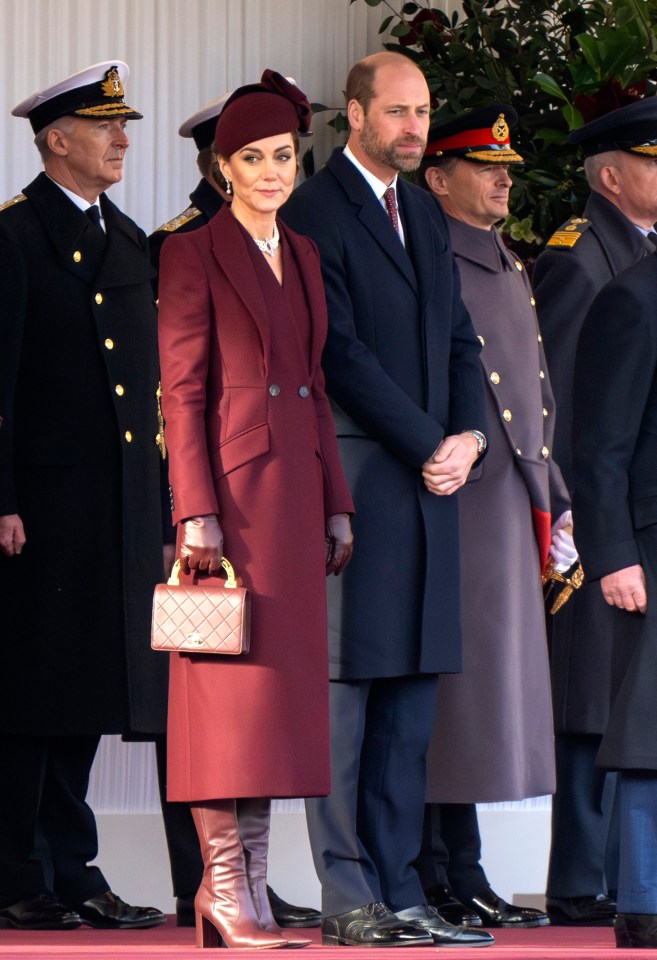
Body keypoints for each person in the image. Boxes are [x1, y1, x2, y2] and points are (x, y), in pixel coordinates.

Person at [281, 51, 493, 948]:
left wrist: (471, 437)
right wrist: (426, 442)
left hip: (430, 486)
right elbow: (340, 357)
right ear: (354, 115)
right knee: (347, 701)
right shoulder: (314, 213)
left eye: (422, 112)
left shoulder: (424, 214)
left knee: (409, 703)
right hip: (360, 484)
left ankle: (404, 892)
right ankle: (348, 896)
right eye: (397, 111)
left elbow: (457, 339)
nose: (413, 127)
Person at [157, 70, 354, 950]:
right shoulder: (192, 253)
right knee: (224, 701)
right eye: (252, 158)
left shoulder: (304, 253)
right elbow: (180, 392)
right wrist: (195, 514)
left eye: (282, 155)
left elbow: (314, 388)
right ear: (220, 167)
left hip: (297, 498)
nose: (272, 171)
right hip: (231, 506)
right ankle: (223, 890)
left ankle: (255, 895)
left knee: (276, 705)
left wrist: (337, 503)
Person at [0, 61, 167, 931]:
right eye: (105, 128)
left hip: (116, 509)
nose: (121, 141)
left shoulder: (129, 239)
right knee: (30, 703)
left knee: (88, 702)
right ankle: (16, 874)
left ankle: (75, 870)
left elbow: (149, 394)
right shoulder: (14, 238)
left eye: (124, 127)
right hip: (40, 512)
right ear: (55, 139)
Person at [415, 104, 575, 929]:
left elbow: (534, 391)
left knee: (482, 693)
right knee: (454, 693)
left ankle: (463, 866)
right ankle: (434, 869)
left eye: (507, 168)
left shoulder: (504, 257)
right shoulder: (433, 256)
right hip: (461, 497)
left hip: (510, 498)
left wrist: (554, 494)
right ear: (437, 178)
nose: (504, 179)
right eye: (486, 167)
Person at [533, 96, 657, 926]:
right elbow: (575, 410)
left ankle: (610, 876)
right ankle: (590, 881)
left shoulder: (635, 253)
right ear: (611, 174)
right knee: (597, 703)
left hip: (613, 516)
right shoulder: (585, 261)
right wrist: (586, 530)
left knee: (618, 703)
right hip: (599, 521)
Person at [571, 248, 657, 949]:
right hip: (650, 547)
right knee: (647, 728)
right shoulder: (633, 296)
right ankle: (642, 901)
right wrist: (613, 554)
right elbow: (599, 445)